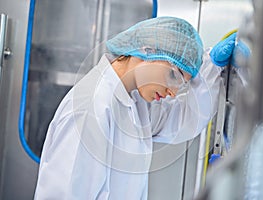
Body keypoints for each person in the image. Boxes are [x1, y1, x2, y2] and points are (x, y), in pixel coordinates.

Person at [34, 16, 237, 199]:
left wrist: (213, 65)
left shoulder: (134, 101)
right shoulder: (91, 108)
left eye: (181, 84)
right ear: (147, 50)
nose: (173, 93)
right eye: (173, 75)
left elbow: (182, 119)